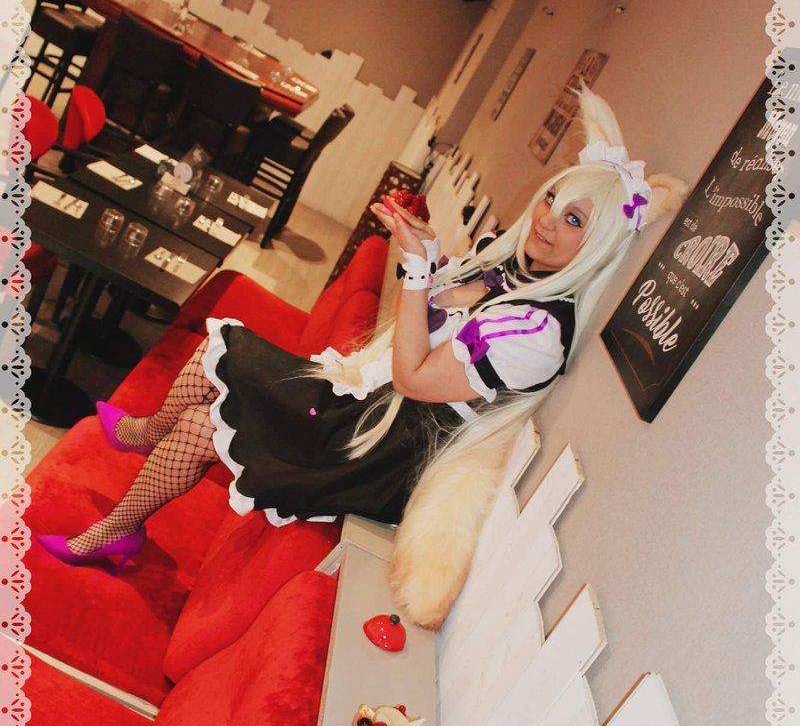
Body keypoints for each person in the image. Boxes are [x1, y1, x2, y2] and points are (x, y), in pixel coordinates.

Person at [36, 84, 684, 629]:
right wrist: (429, 260)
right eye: (553, 200)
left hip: (382, 450)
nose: (547, 220)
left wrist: (421, 269)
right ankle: (144, 440)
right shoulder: (511, 267)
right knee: (215, 349)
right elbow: (429, 315)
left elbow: (415, 375)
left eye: (575, 221)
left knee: (205, 424)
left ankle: (115, 530)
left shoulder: (538, 331)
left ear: (598, 242)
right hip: (371, 406)